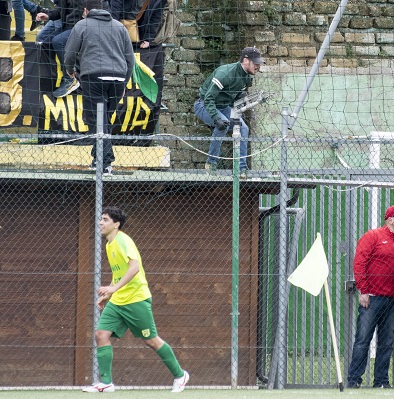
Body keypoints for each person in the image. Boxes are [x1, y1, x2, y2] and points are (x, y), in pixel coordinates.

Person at [83, 206, 189, 393]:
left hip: (136, 299)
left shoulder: (123, 241)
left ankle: (180, 376)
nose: (101, 222)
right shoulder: (109, 244)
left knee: (151, 341)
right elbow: (119, 273)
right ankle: (106, 383)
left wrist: (113, 288)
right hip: (118, 301)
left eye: (106, 219)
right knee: (101, 334)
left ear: (116, 224)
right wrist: (110, 294)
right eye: (101, 219)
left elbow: (134, 268)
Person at [63, 0, 135, 175]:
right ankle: (99, 159)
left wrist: (70, 70)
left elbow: (70, 53)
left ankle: (105, 162)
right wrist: (124, 82)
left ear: (86, 10)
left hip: (94, 76)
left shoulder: (82, 25)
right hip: (117, 78)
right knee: (105, 120)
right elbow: (130, 59)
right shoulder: (119, 27)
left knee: (96, 120)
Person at [346, 205, 394, 389]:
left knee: (387, 343)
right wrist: (363, 290)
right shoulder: (373, 236)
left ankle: (381, 381)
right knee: (363, 340)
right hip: (373, 298)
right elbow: (359, 263)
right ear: (390, 219)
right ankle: (354, 381)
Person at [194, 46, 264, 178]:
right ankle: (211, 164)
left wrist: (240, 96)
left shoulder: (247, 77)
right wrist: (216, 118)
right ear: (245, 60)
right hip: (204, 105)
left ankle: (241, 169)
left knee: (243, 128)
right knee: (223, 123)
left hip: (223, 107)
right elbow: (209, 98)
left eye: (259, 63)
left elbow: (231, 95)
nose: (258, 66)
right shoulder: (225, 73)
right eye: (255, 63)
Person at [36, 0, 84, 97]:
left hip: (83, 26)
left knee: (58, 41)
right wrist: (48, 16)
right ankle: (50, 78)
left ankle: (70, 78)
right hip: (68, 26)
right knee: (45, 43)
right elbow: (60, 10)